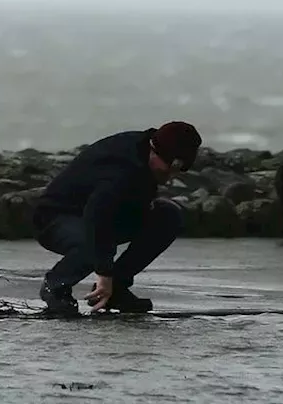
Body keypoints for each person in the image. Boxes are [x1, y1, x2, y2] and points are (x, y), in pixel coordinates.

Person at [32, 121, 202, 316]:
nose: (171, 176)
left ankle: (116, 290)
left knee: (168, 215)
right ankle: (56, 287)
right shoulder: (122, 168)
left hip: (100, 215)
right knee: (94, 243)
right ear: (155, 151)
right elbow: (97, 217)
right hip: (55, 218)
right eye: (169, 168)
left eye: (178, 170)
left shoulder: (146, 154)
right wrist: (104, 274)